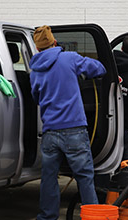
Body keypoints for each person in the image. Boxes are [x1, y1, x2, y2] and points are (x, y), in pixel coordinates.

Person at [29, 25, 107, 220]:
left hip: (50, 133)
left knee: (48, 178)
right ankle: (91, 216)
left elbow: (37, 98)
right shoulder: (69, 58)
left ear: (37, 48)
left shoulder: (35, 70)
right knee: (84, 177)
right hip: (74, 131)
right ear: (55, 42)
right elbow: (100, 69)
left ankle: (47, 216)